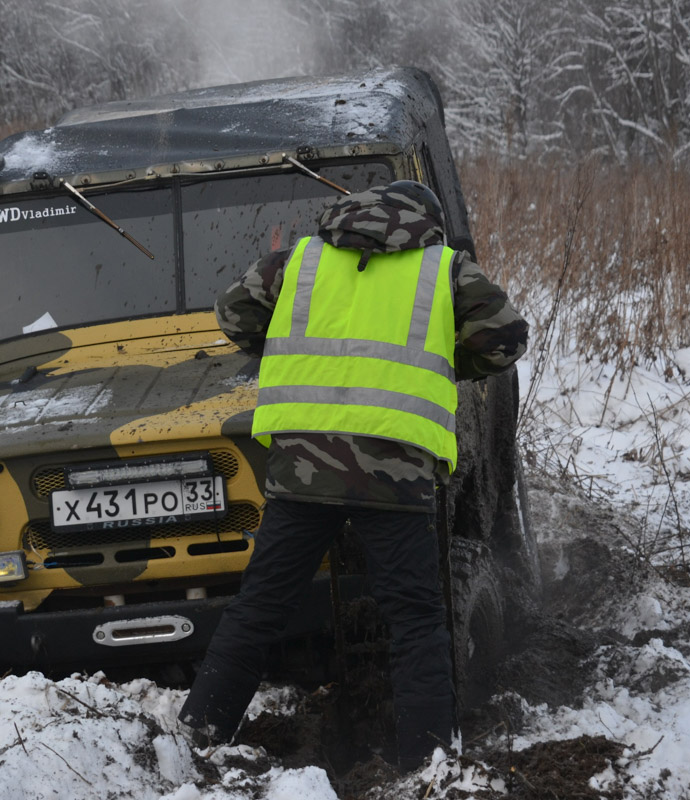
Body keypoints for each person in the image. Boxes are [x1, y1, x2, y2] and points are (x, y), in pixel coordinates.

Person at [177, 180, 528, 771]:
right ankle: (429, 760)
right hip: (394, 468)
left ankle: (200, 731)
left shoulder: (300, 260)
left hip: (303, 464)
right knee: (416, 620)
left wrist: (289, 347)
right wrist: (452, 361)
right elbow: (508, 337)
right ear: (426, 223)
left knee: (260, 605)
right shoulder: (444, 269)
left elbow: (232, 313)